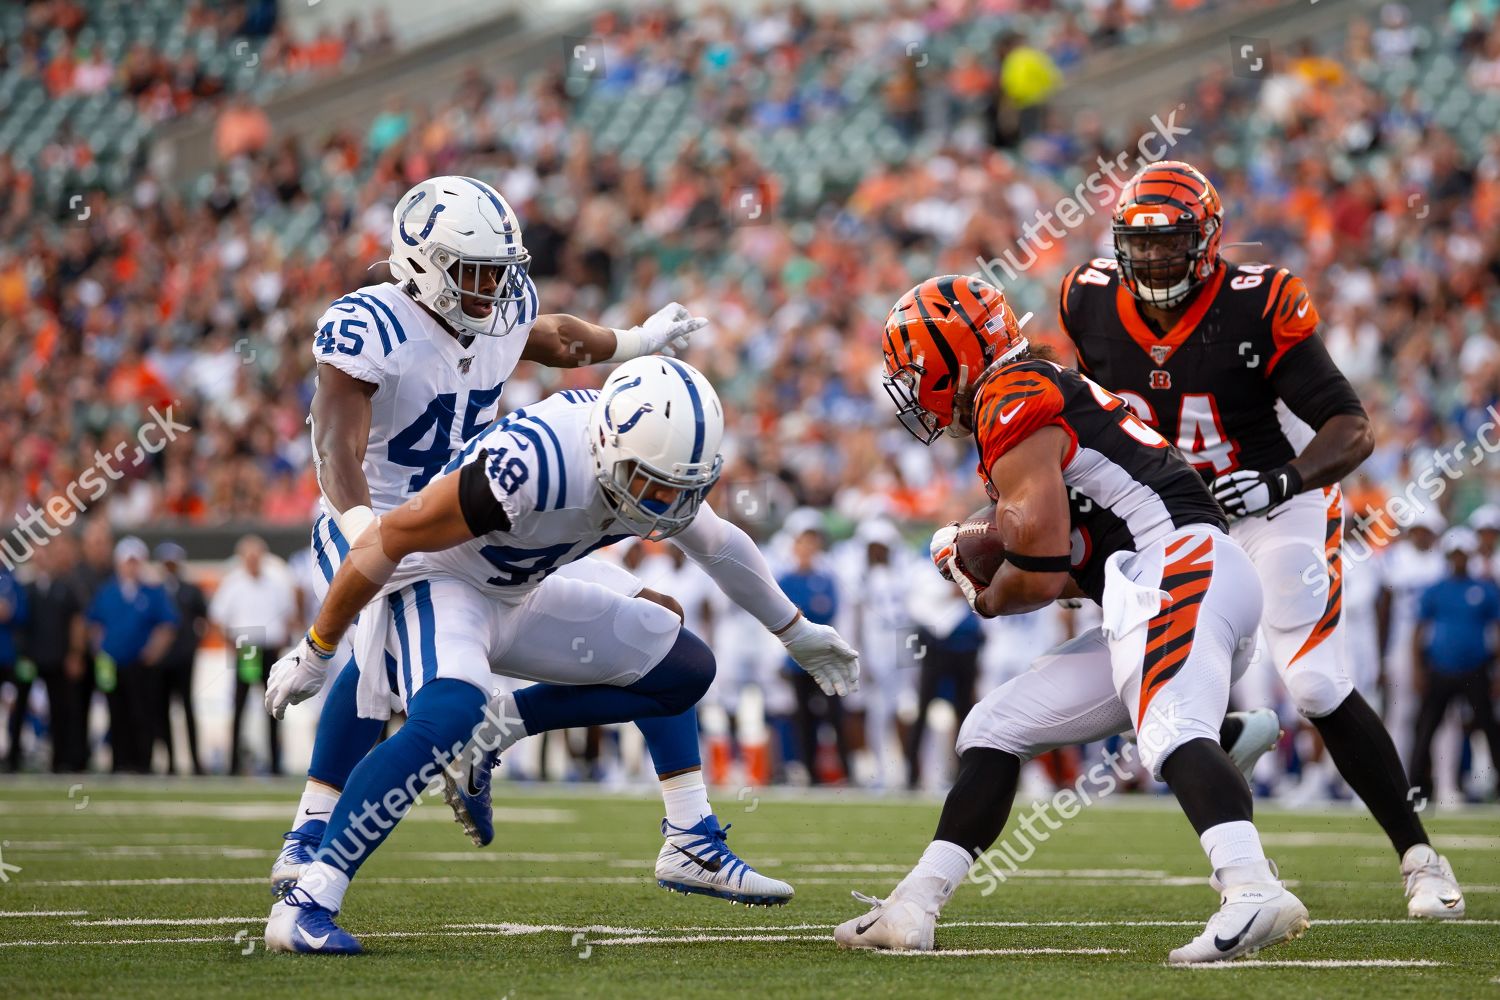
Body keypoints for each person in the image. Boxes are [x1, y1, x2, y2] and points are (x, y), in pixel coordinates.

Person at [260, 357, 860, 953]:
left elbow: (720, 544)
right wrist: (318, 647)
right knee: (446, 717)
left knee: (680, 664)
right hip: (437, 581)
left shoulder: (649, 456)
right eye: (652, 484)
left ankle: (682, 835)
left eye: (682, 488)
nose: (664, 504)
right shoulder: (528, 467)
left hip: (518, 588)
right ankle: (309, 899)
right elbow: (387, 540)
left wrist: (795, 630)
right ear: (606, 446)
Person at [837, 274, 1301, 963]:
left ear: (953, 359)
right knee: (993, 728)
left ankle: (1252, 886)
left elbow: (1045, 565)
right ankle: (914, 905)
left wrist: (983, 589)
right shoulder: (1031, 391)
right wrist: (988, 541)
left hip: (1177, 567)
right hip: (1163, 580)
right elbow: (1066, 553)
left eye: (918, 370)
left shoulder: (1012, 398)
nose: (913, 388)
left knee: (1169, 726)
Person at [1059, 159, 1465, 919]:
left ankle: (1420, 857)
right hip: (1179, 518)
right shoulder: (1089, 300)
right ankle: (1237, 799)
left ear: (1207, 240)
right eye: (1137, 245)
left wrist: (1283, 482)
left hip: (1279, 505)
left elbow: (1352, 427)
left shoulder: (1258, 302)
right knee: (1164, 693)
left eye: (1167, 242)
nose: (1150, 260)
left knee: (1312, 683)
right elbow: (1095, 417)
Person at [281, 174, 709, 865]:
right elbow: (335, 449)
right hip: (375, 518)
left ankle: (688, 831)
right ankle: (308, 840)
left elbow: (557, 338)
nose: (491, 290)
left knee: (653, 611)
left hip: (472, 520)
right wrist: (369, 538)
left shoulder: (498, 314)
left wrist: (635, 341)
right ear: (422, 261)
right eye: (473, 272)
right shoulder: (371, 323)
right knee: (378, 652)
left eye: (498, 273)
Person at [1410, 528, 1500, 808]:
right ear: (1449, 557)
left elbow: (1497, 630)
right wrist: (1418, 669)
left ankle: (1495, 785)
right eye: (1455, 555)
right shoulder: (1437, 589)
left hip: (1475, 669)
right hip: (1441, 669)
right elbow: (1419, 631)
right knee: (1426, 729)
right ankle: (1417, 788)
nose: (1459, 560)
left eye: (1463, 555)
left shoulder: (1484, 588)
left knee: (1489, 727)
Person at [85, 537, 177, 774]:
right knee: (116, 713)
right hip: (113, 662)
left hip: (140, 664)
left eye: (135, 562)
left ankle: (142, 762)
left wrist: (153, 651)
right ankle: (120, 761)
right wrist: (100, 651)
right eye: (127, 562)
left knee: (142, 713)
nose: (131, 566)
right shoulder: (107, 591)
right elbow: (95, 624)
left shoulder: (152, 592)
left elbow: (167, 625)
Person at [209, 535, 296, 776]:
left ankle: (276, 763)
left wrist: (282, 639)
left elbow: (289, 614)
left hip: (270, 647)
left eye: (257, 555)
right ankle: (233, 764)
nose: (253, 561)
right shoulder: (233, 583)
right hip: (246, 646)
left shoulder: (276, 582)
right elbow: (217, 618)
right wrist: (230, 644)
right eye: (249, 556)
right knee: (240, 705)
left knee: (273, 706)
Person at [777, 526, 850, 784]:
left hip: (824, 657)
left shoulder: (826, 578)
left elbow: (825, 611)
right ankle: (810, 771)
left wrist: (801, 615)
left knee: (835, 714)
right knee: (803, 718)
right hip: (798, 658)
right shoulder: (785, 579)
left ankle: (846, 770)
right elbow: (785, 615)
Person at [23, 540, 88, 772]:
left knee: (62, 710)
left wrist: (75, 653)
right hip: (30, 659)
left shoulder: (65, 587)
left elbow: (77, 622)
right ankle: (13, 757)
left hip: (58, 657)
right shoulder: (26, 588)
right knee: (20, 709)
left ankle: (61, 760)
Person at [154, 542, 207, 775]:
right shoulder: (155, 591)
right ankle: (170, 762)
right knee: (162, 709)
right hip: (161, 659)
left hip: (184, 657)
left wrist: (193, 643)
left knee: (187, 707)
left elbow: (204, 618)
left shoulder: (190, 590)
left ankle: (195, 761)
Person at [0, 560, 30, 771]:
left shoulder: (12, 581)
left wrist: (9, 612)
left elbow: (22, 614)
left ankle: (13, 756)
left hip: (7, 657)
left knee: (13, 708)